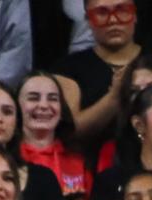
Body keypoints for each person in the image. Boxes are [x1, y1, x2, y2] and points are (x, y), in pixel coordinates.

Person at [56, 0, 145, 145]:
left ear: (134, 15)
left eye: (122, 10)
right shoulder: (66, 68)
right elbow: (70, 133)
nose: (113, 20)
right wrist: (114, 97)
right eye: (102, 13)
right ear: (88, 20)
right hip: (88, 162)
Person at [14, 71, 87, 200]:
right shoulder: (6, 157)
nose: (44, 105)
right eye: (33, 98)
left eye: (53, 99)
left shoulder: (78, 158)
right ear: (16, 107)